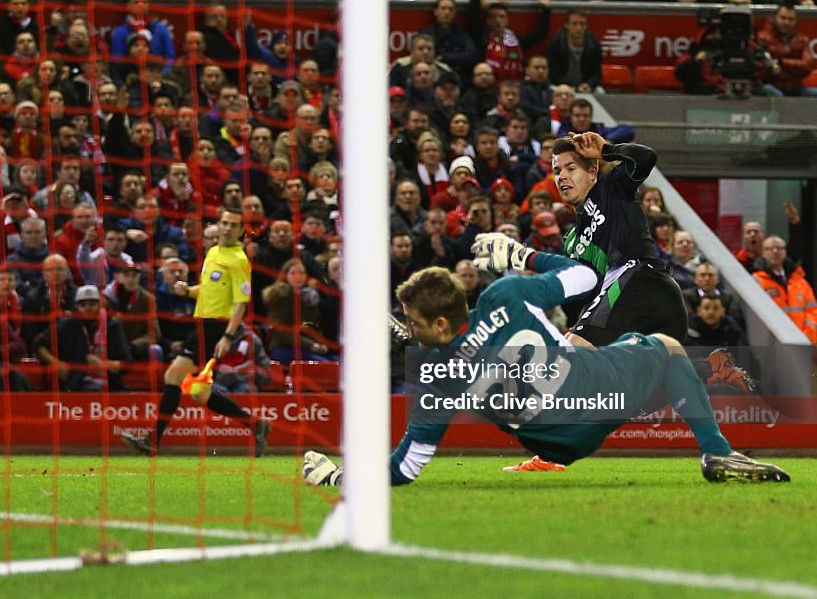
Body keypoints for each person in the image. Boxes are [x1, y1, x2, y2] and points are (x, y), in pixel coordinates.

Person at [303, 235, 790, 486]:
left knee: (574, 349)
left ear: (438, 326)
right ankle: (716, 450)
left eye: (412, 320)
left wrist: (339, 476)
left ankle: (545, 448)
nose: (407, 323)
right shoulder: (505, 295)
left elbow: (406, 468)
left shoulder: (436, 379)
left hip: (552, 445)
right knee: (666, 347)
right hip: (599, 396)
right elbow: (585, 274)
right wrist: (521, 254)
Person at [121, 208, 271, 456]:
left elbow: (240, 303)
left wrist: (228, 336)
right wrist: (188, 291)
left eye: (233, 225)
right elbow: (211, 288)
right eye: (224, 223)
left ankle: (152, 440)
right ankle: (256, 425)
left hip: (216, 327)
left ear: (241, 230)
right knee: (199, 393)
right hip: (202, 324)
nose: (226, 228)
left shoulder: (239, 260)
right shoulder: (213, 252)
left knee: (173, 376)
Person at [553, 132, 688, 349]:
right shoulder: (571, 240)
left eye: (571, 168)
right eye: (557, 171)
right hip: (631, 309)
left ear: (592, 172)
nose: (562, 177)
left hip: (645, 283)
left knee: (575, 348)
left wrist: (606, 150)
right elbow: (590, 293)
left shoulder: (612, 189)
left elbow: (646, 157)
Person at [753, 236, 817, 344]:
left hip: (804, 343)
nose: (775, 251)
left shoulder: (800, 281)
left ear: (785, 252)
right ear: (763, 253)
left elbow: (813, 311)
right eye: (770, 248)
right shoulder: (757, 281)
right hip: (773, 345)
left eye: (779, 248)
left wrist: (807, 336)